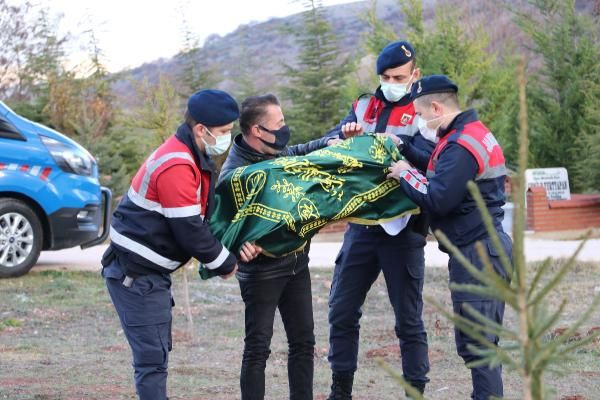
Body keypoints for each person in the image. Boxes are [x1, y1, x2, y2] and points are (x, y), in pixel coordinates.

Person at [101, 89, 261, 400]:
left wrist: (234, 240)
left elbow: (203, 215)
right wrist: (225, 263)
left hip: (146, 274)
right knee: (152, 361)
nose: (228, 138)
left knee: (156, 356)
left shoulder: (190, 153)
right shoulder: (177, 163)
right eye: (225, 132)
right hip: (134, 275)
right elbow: (189, 229)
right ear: (201, 129)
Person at [387, 75, 512, 400]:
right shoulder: (469, 134)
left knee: (478, 349)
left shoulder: (460, 145)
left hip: (478, 255)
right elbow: (440, 168)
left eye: (419, 113)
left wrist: (404, 174)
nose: (418, 120)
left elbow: (439, 196)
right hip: (485, 249)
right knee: (481, 345)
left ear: (437, 107)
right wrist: (406, 149)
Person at [324, 40, 434, 399]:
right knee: (341, 311)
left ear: (414, 74)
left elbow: (434, 162)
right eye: (385, 76)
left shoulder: (425, 111)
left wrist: (401, 146)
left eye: (398, 76)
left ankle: (415, 391)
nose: (390, 82)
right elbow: (331, 143)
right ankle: (341, 390)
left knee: (408, 320)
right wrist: (346, 134)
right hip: (362, 226)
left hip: (403, 226)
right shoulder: (363, 105)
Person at [219, 93, 339, 400]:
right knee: (258, 348)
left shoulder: (273, 150)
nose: (285, 127)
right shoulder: (234, 175)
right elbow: (221, 224)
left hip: (297, 263)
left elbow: (296, 152)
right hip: (262, 273)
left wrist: (329, 142)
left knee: (303, 342)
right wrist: (237, 245)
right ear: (258, 130)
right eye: (280, 122)